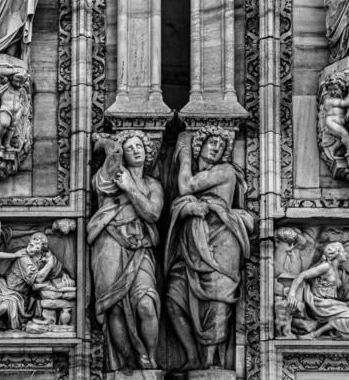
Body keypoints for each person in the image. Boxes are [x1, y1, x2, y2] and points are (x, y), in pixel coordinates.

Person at [165, 126, 254, 371]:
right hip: (193, 245)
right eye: (211, 142)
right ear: (200, 145)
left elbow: (187, 186)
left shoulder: (224, 170)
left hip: (222, 243)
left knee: (218, 300)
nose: (216, 147)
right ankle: (192, 355)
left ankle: (210, 361)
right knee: (173, 296)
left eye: (221, 145)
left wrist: (183, 156)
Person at [87, 131, 163, 372]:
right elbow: (105, 178)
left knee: (146, 304)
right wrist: (109, 144)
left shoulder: (153, 185)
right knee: (115, 307)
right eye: (129, 148)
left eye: (139, 145)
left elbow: (152, 213)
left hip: (141, 247)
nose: (136, 150)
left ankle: (149, 357)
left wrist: (130, 188)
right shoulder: (109, 178)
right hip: (109, 242)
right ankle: (127, 363)